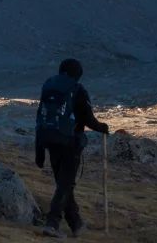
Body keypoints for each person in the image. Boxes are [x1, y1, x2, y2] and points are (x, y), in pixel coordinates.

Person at [35, 58, 110, 239]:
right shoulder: (77, 89)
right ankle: (52, 224)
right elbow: (88, 119)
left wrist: (39, 150)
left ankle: (76, 224)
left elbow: (41, 116)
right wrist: (102, 128)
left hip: (49, 140)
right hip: (69, 143)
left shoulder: (49, 86)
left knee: (64, 184)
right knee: (65, 185)